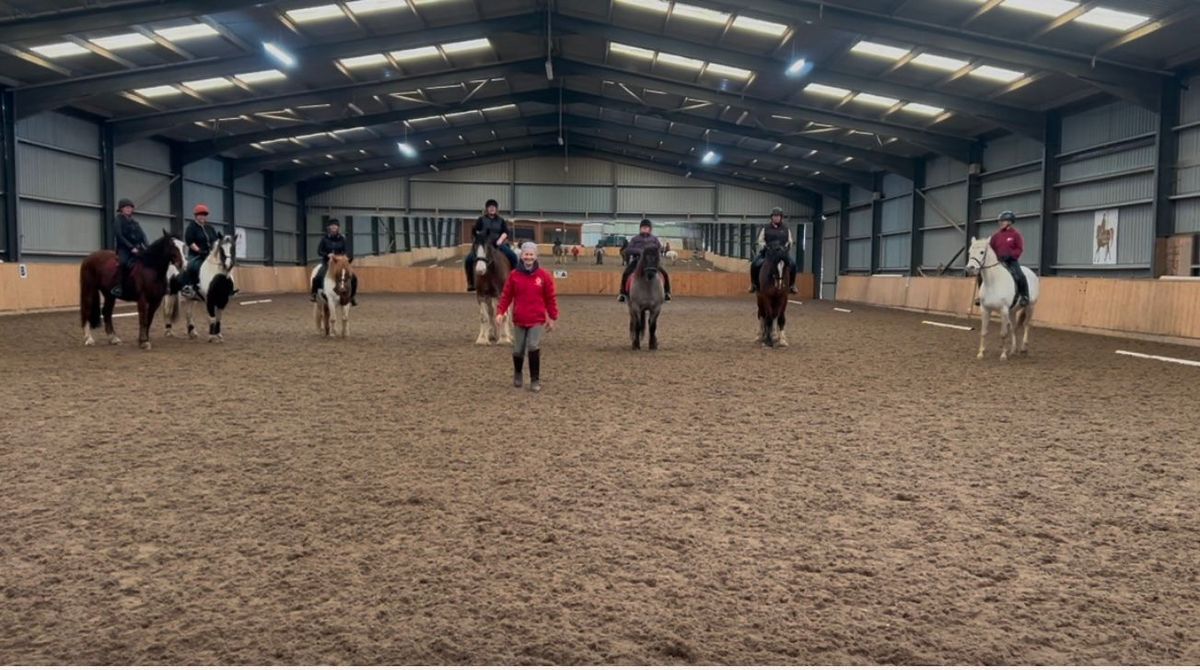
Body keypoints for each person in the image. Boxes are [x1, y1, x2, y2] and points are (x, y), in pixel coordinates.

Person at [496, 242, 558, 393]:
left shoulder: (544, 276)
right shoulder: (514, 276)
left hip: (536, 318)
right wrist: (500, 312)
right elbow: (506, 295)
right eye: (526, 254)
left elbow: (550, 297)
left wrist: (552, 316)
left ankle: (535, 379)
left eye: (531, 254)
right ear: (521, 256)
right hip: (519, 318)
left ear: (536, 256)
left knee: (533, 346)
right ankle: (518, 373)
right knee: (518, 349)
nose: (528, 257)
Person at [464, 199, 519, 291]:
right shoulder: (481, 219)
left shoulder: (501, 220)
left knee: (513, 257)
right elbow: (475, 231)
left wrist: (500, 240)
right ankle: (471, 283)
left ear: (496, 209)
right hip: (484, 245)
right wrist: (478, 240)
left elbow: (506, 232)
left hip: (497, 244)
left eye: (494, 207)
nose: (492, 209)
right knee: (468, 260)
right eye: (490, 207)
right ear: (487, 209)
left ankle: (515, 280)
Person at [981, 210, 1029, 306]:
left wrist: (1011, 255)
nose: (1000, 223)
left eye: (1003, 221)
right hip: (997, 261)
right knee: (982, 275)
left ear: (1010, 222)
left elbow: (1019, 248)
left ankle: (1024, 296)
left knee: (1020, 275)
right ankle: (981, 296)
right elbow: (990, 249)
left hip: (1011, 261)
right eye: (1000, 221)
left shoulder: (1015, 235)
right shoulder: (996, 236)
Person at [618, 219, 671, 303]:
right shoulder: (635, 239)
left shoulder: (654, 239)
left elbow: (659, 248)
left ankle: (667, 293)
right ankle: (623, 293)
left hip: (651, 262)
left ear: (649, 229)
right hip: (638, 261)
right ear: (640, 228)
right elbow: (628, 250)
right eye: (643, 227)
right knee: (626, 273)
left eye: (646, 227)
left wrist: (653, 253)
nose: (644, 229)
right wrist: (639, 251)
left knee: (664, 273)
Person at [749, 207, 798, 294]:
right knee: (754, 264)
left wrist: (785, 247)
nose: (776, 218)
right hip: (768, 253)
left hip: (782, 253)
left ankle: (792, 285)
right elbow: (760, 240)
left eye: (778, 216)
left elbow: (790, 240)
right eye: (775, 216)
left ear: (781, 217)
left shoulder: (786, 229)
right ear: (771, 217)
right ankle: (754, 284)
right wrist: (765, 246)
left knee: (793, 264)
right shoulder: (766, 228)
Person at [311, 219, 358, 306]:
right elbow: (319, 251)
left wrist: (341, 256)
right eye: (332, 226)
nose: (333, 227)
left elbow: (346, 251)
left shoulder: (342, 239)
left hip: (340, 263)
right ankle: (314, 294)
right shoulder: (324, 239)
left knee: (354, 277)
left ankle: (352, 296)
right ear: (329, 228)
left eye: (335, 226)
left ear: (338, 228)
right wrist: (327, 255)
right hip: (328, 262)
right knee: (318, 275)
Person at [181, 204, 221, 299]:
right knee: (192, 266)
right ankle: (188, 287)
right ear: (196, 216)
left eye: (204, 215)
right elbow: (190, 241)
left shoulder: (210, 228)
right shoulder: (191, 227)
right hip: (196, 254)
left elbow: (215, 241)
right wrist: (199, 251)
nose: (202, 216)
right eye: (200, 214)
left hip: (210, 254)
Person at [110, 198, 147, 299]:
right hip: (124, 248)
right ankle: (118, 286)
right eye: (126, 207)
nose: (128, 209)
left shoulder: (134, 222)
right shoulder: (118, 220)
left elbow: (142, 235)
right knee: (123, 263)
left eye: (130, 207)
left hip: (137, 247)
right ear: (121, 209)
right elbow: (119, 236)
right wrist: (131, 247)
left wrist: (147, 246)